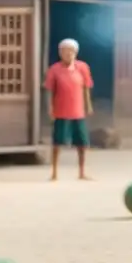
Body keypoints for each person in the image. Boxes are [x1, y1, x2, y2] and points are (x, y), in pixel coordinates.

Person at [44, 38, 93, 180]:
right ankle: (54, 173)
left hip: (78, 112)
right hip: (61, 111)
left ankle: (82, 172)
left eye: (70, 51)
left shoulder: (83, 67)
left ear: (75, 52)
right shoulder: (54, 69)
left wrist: (88, 105)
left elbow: (86, 88)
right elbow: (49, 91)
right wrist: (50, 108)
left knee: (82, 143)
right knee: (57, 143)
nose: (67, 54)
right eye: (64, 51)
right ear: (60, 53)